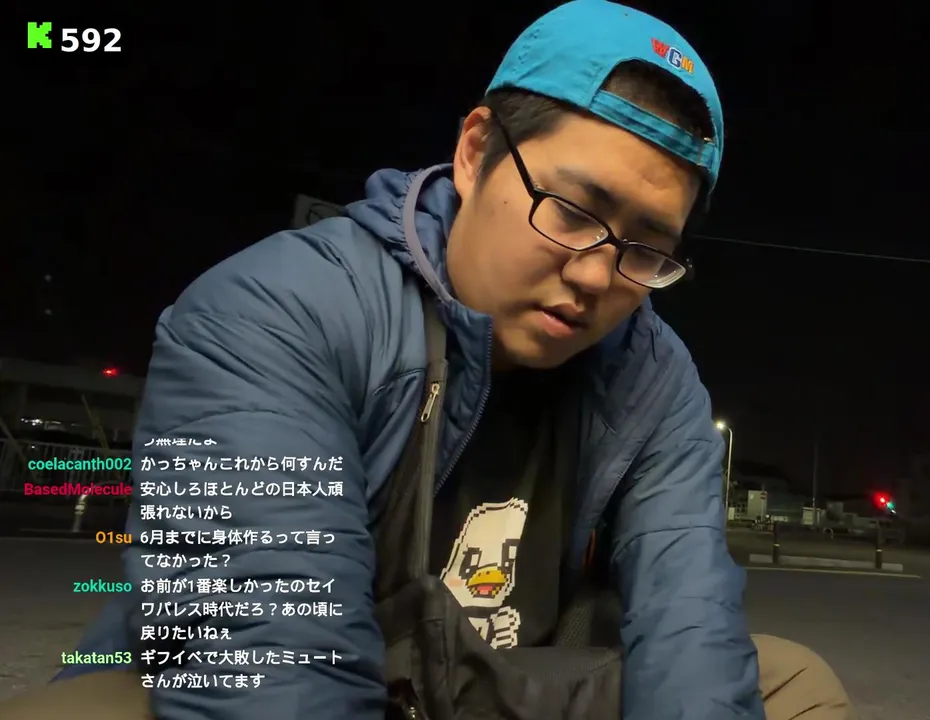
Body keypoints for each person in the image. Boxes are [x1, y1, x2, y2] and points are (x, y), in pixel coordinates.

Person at [0, 2, 852, 719]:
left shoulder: (656, 380)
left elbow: (686, 624)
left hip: (502, 684)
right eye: (569, 210)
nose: (598, 275)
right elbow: (271, 655)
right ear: (476, 153)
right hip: (331, 678)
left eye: (646, 248)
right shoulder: (275, 310)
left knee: (790, 686)